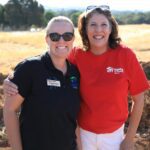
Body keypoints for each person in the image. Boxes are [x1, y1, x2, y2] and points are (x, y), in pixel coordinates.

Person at [3, 5, 150, 150]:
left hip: (114, 136)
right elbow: (55, 54)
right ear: (84, 30)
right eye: (92, 24)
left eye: (104, 24)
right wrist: (13, 78)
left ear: (111, 28)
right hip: (83, 134)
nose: (98, 30)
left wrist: (129, 138)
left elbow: (139, 98)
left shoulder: (125, 55)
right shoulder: (77, 55)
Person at [3, 16, 81, 150]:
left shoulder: (75, 72)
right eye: (55, 36)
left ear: (73, 39)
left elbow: (74, 120)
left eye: (67, 36)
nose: (61, 41)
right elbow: (9, 110)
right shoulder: (30, 68)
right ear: (47, 39)